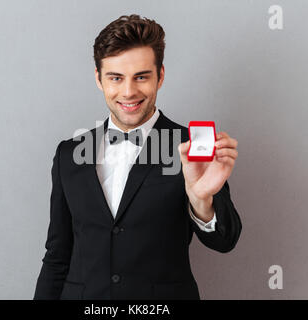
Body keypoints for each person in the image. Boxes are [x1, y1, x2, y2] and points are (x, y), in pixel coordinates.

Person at [33, 14, 241, 300]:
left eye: (141, 77)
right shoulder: (69, 154)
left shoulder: (191, 147)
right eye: (115, 78)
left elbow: (225, 240)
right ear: (98, 79)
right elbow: (57, 256)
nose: (129, 91)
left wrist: (201, 200)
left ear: (161, 76)